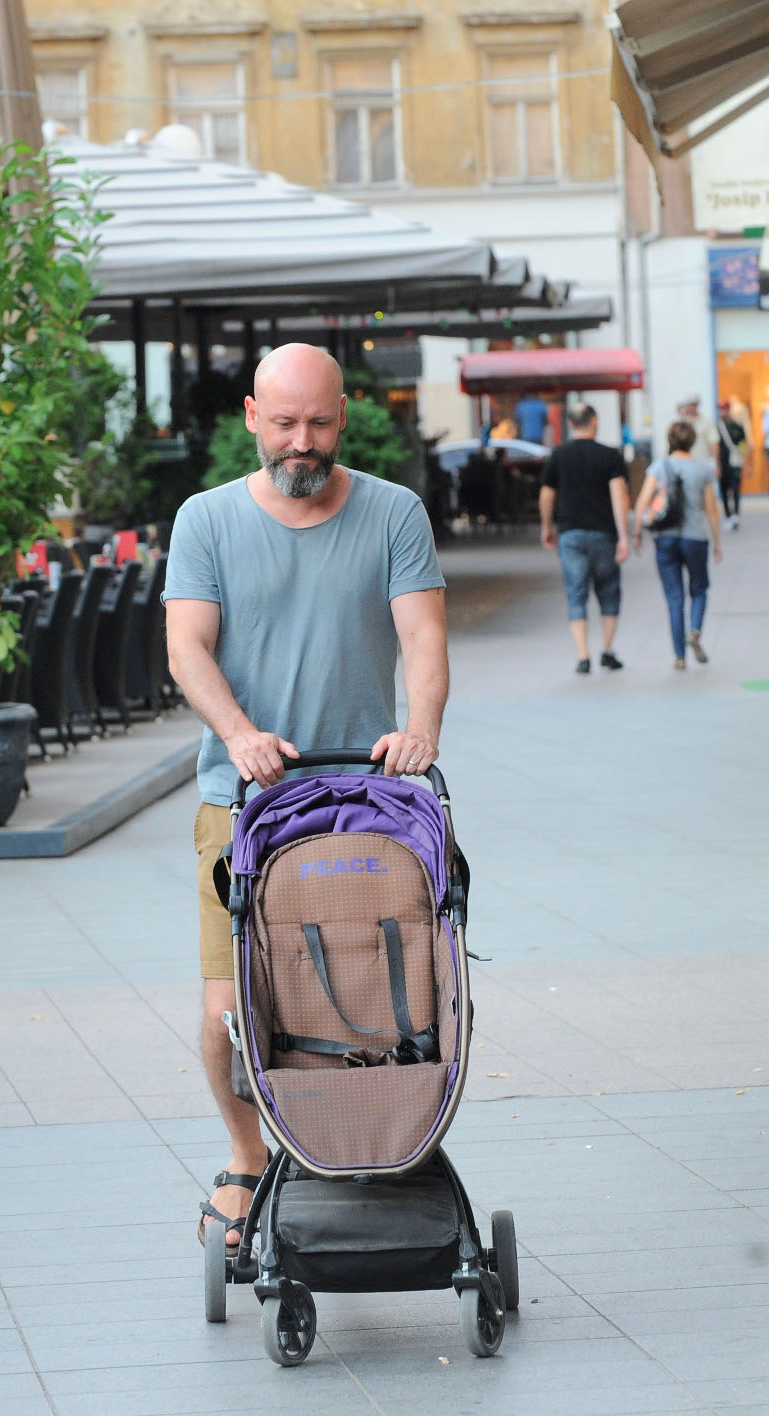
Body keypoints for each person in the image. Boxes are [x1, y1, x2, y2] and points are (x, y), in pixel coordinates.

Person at [164, 343, 448, 1251]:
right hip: (240, 802)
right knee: (227, 1012)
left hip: (365, 802)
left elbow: (425, 636)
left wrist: (422, 726)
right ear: (251, 417)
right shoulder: (206, 521)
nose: (302, 443)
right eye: (284, 424)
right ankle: (248, 1156)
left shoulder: (393, 512)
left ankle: (375, 1137)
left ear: (344, 418)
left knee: (373, 982)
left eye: (320, 424)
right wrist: (240, 733)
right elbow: (187, 649)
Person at [539, 403, 632, 673]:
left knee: (575, 592)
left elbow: (546, 495)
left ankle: (583, 656)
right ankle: (606, 650)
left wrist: (547, 526)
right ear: (594, 421)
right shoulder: (610, 456)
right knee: (609, 591)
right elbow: (620, 496)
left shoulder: (558, 455)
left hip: (570, 535)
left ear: (570, 423)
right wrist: (624, 536)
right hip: (604, 534)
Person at [633, 420, 724, 669]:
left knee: (674, 598)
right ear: (693, 442)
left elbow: (642, 502)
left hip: (666, 538)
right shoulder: (703, 469)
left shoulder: (659, 467)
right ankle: (694, 631)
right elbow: (711, 510)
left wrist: (637, 532)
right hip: (695, 538)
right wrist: (717, 541)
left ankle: (680, 657)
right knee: (699, 589)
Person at [716, 398, 746, 529]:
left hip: (735, 463)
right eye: (720, 409)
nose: (721, 412)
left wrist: (743, 458)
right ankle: (728, 515)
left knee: (735, 490)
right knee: (723, 490)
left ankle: (736, 516)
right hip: (722, 464)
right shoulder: (717, 427)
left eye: (723, 409)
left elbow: (743, 444)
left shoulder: (737, 426)